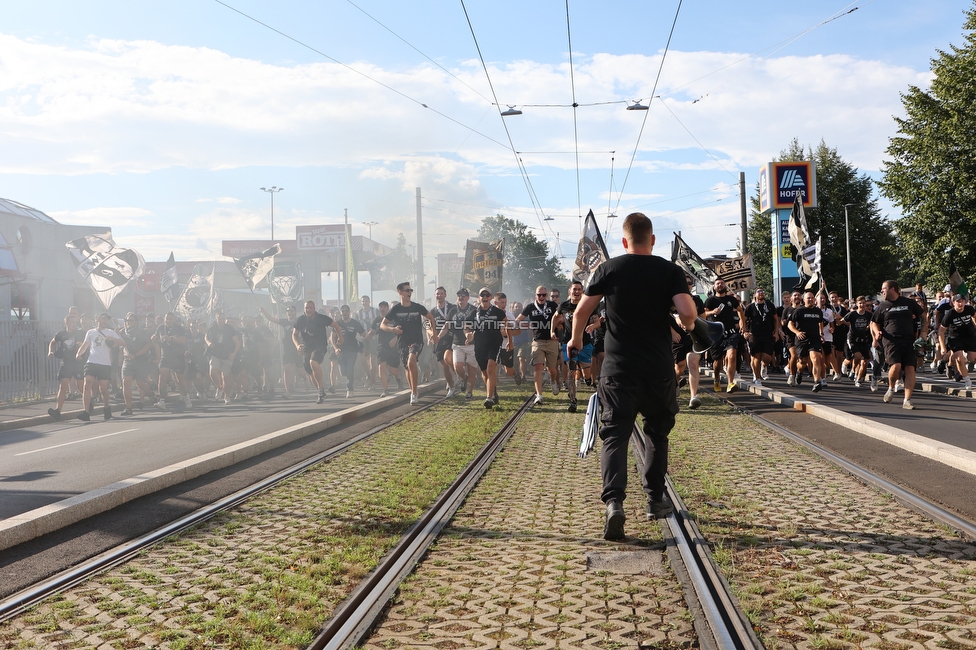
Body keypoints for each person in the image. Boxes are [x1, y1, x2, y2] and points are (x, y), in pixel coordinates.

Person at [568, 212, 697, 541]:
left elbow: (582, 310)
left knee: (614, 436)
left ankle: (614, 504)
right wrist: (691, 326)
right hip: (657, 370)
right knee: (656, 434)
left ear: (624, 242)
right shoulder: (670, 271)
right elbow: (685, 312)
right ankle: (655, 500)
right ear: (652, 240)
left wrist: (576, 340)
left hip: (618, 371)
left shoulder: (608, 269)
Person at [871, 280, 925, 409]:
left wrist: (923, 333)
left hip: (909, 340)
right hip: (891, 340)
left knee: (910, 368)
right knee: (896, 365)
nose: (882, 291)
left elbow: (924, 315)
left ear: (892, 289)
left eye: (884, 289)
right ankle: (891, 388)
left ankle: (907, 400)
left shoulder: (909, 303)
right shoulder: (882, 306)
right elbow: (873, 322)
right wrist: (876, 331)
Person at [381, 282, 438, 405]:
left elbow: (431, 317)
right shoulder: (395, 309)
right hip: (402, 342)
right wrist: (393, 329)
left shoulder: (417, 307)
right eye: (407, 290)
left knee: (411, 361)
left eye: (410, 290)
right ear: (400, 292)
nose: (409, 293)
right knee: (407, 367)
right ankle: (413, 390)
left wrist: (434, 333)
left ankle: (414, 392)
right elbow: (382, 325)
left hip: (417, 340)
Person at [516, 286, 560, 406]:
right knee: (538, 367)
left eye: (543, 295)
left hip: (552, 340)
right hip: (537, 341)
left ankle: (553, 380)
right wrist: (514, 324)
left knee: (552, 369)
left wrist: (560, 324)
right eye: (539, 295)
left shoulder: (552, 305)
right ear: (535, 295)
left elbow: (560, 316)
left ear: (546, 295)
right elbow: (519, 318)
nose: (541, 297)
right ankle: (539, 395)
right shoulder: (530, 306)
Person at [293, 300, 344, 404]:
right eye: (306, 308)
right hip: (307, 348)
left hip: (320, 346)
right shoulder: (301, 320)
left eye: (310, 307)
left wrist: (340, 337)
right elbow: (294, 334)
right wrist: (297, 345)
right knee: (310, 372)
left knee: (313, 362)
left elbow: (335, 325)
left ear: (314, 308)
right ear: (304, 309)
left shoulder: (321, 318)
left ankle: (321, 389)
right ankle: (321, 393)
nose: (308, 310)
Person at [75, 312, 123, 421]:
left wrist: (114, 340)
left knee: (103, 389)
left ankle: (107, 408)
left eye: (106, 319)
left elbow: (122, 343)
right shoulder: (90, 332)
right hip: (92, 361)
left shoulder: (110, 332)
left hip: (105, 363)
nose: (105, 321)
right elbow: (85, 345)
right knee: (87, 384)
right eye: (103, 319)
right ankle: (86, 412)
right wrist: (78, 353)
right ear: (97, 319)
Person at [551, 281, 591, 413]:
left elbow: (596, 320)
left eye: (579, 289)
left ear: (582, 291)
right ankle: (573, 401)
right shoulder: (564, 305)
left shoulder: (587, 303)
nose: (577, 292)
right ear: (570, 291)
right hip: (569, 343)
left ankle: (588, 378)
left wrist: (594, 326)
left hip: (585, 342)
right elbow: (555, 317)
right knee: (571, 372)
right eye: (574, 289)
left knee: (586, 374)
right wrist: (552, 331)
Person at [471, 288, 512, 409]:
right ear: (479, 298)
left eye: (487, 295)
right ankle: (493, 391)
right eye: (482, 295)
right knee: (484, 373)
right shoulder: (474, 312)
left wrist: (510, 341)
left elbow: (507, 325)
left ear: (491, 297)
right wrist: (467, 334)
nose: (484, 297)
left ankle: (488, 398)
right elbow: (466, 326)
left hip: (494, 344)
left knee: (490, 369)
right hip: (479, 346)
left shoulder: (497, 311)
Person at [704, 278, 745, 393]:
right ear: (714, 287)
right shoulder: (710, 300)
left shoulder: (731, 299)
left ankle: (730, 383)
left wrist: (742, 322)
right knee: (717, 361)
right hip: (716, 333)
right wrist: (712, 312)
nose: (720, 285)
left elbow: (740, 310)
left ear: (725, 286)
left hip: (731, 333)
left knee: (732, 355)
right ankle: (716, 379)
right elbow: (703, 314)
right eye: (718, 283)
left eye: (722, 283)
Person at [47, 314, 85, 421]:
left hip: (77, 363)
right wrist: (50, 351)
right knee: (63, 385)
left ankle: (88, 403)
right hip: (66, 363)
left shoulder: (80, 333)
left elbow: (87, 344)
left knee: (80, 386)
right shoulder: (61, 334)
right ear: (66, 323)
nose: (74, 324)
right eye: (72, 322)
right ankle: (57, 411)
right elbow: (53, 342)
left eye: (75, 322)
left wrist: (81, 345)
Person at [788, 291, 826, 392]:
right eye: (808, 298)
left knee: (815, 359)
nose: (810, 300)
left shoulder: (818, 311)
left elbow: (820, 322)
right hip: (802, 339)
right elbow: (790, 324)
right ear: (803, 300)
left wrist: (821, 333)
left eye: (812, 298)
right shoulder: (799, 311)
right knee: (803, 361)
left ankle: (817, 382)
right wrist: (797, 332)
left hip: (815, 339)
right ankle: (799, 372)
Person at [444, 288, 478, 398]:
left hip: (472, 344)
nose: (461, 297)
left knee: (471, 368)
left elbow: (479, 325)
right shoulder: (453, 310)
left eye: (463, 295)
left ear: (468, 297)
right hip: (457, 343)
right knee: (457, 366)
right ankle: (464, 378)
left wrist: (472, 333)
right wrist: (438, 336)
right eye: (459, 295)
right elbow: (446, 325)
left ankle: (470, 392)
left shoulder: (474, 310)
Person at [118, 312, 154, 415]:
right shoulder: (122, 332)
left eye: (131, 320)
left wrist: (136, 355)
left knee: (140, 384)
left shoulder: (142, 332)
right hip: (128, 361)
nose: (128, 322)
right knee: (126, 382)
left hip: (140, 360)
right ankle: (128, 407)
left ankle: (151, 394)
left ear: (136, 322)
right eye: (127, 320)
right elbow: (121, 347)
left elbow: (148, 346)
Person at [153, 312, 192, 409]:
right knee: (162, 376)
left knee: (180, 378)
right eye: (167, 318)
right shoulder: (160, 328)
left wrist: (171, 338)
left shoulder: (179, 328)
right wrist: (154, 338)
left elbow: (183, 340)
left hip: (177, 356)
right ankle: (162, 400)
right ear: (164, 318)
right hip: (165, 356)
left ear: (173, 319)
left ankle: (186, 397)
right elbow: (156, 339)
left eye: (170, 318)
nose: (168, 320)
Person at [938, 294, 976, 389]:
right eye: (958, 301)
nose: (961, 303)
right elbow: (941, 331)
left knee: (972, 358)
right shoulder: (950, 314)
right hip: (955, 338)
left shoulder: (969, 309)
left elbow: (974, 316)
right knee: (959, 359)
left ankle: (964, 360)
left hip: (969, 336)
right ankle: (967, 380)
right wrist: (943, 347)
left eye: (962, 301)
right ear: (953, 303)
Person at [743, 288, 779, 387]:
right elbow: (743, 320)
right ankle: (757, 377)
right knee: (756, 357)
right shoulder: (750, 307)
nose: (761, 293)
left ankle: (764, 366)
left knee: (767, 357)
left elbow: (776, 319)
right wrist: (745, 332)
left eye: (762, 291)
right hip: (754, 335)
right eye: (758, 292)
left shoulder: (770, 305)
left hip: (767, 335)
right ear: (755, 294)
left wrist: (776, 332)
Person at [367, 301, 403, 396]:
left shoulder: (394, 319)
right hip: (381, 347)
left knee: (392, 370)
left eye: (384, 307)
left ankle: (398, 377)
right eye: (381, 307)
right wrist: (368, 335)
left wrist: (395, 338)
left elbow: (401, 331)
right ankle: (386, 390)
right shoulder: (377, 320)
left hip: (393, 348)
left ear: (388, 309)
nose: (382, 309)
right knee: (381, 368)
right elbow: (371, 332)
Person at [206, 311, 242, 405]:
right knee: (212, 371)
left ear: (225, 319)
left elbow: (237, 343)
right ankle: (219, 387)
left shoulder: (229, 328)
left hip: (227, 355)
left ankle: (227, 396)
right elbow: (206, 337)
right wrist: (209, 343)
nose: (221, 320)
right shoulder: (212, 328)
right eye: (219, 318)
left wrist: (234, 354)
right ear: (216, 319)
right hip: (216, 354)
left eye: (222, 318)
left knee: (226, 377)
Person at [429, 286, 458, 396]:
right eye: (437, 294)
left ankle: (456, 373)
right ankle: (451, 385)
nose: (439, 295)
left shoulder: (452, 308)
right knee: (444, 364)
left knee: (447, 358)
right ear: (435, 296)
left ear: (445, 295)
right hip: (439, 339)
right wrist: (430, 335)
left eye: (441, 293)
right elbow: (429, 325)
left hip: (452, 337)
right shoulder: (432, 311)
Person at [334, 304, 366, 397]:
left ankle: (349, 388)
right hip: (341, 351)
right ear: (340, 312)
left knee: (350, 368)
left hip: (352, 350)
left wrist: (370, 338)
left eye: (346, 311)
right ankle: (349, 379)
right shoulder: (337, 323)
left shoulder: (355, 323)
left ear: (349, 312)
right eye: (343, 311)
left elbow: (364, 334)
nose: (345, 312)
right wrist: (336, 348)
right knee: (343, 372)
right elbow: (332, 338)